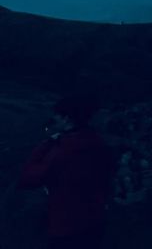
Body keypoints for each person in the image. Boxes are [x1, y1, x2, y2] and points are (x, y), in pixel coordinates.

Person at [18, 94, 114, 249]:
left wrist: (45, 145)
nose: (54, 119)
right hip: (94, 220)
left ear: (67, 118)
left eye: (57, 115)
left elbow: (29, 178)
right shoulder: (100, 144)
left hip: (65, 223)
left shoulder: (62, 149)